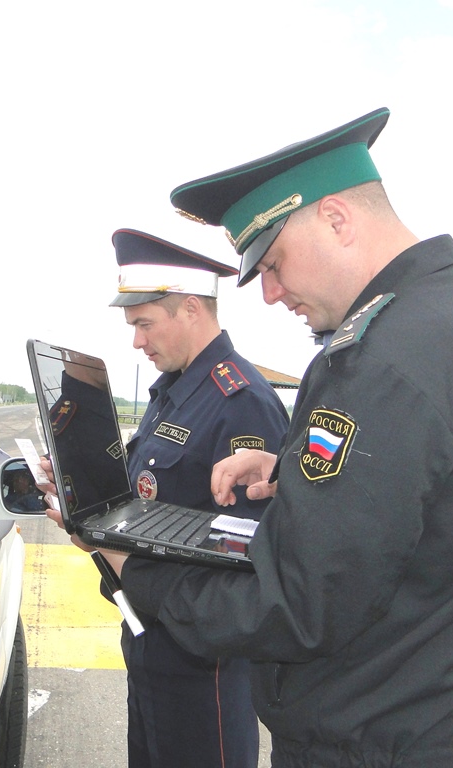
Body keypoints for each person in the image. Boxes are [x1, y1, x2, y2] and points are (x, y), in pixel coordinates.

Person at [94, 109, 453, 768]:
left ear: (338, 219)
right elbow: (444, 508)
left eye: (273, 261)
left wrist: (134, 568)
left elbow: (294, 607)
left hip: (376, 745)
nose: (268, 293)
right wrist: (290, 466)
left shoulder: (384, 357)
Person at [45, 229, 291, 768]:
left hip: (203, 663)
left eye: (144, 324)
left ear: (189, 308)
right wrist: (84, 507)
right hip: (149, 637)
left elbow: (250, 559)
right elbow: (145, 502)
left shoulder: (240, 402)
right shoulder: (172, 394)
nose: (136, 342)